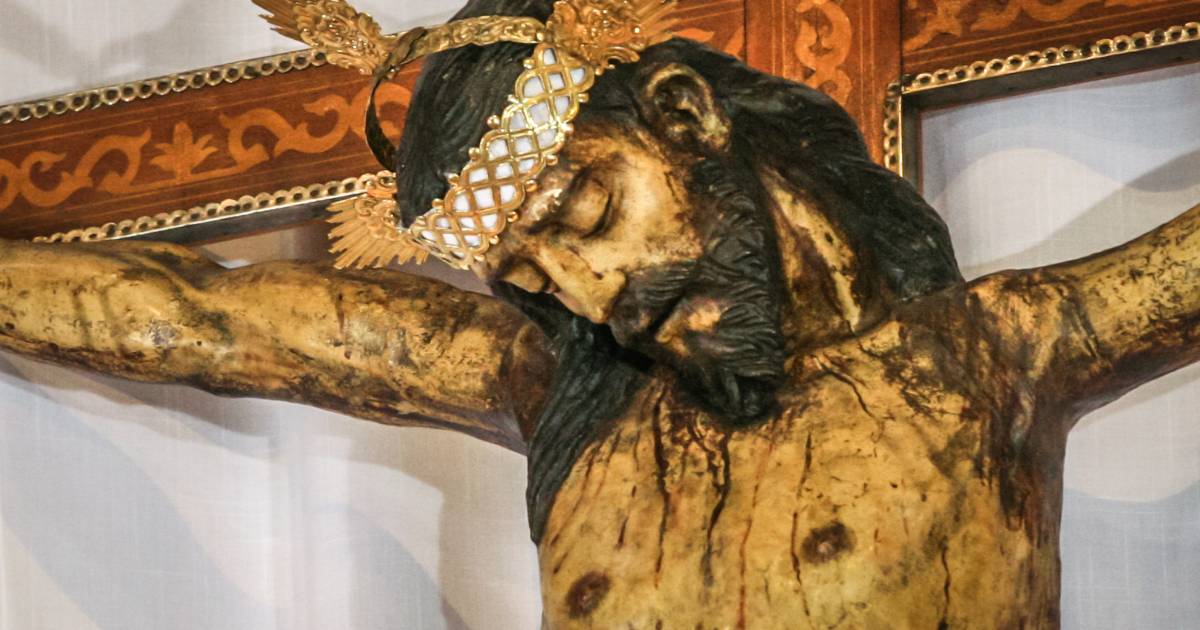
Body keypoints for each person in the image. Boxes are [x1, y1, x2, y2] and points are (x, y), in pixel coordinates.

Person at [1, 0, 1197, 626]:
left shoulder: (993, 357)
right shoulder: (559, 404)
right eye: (530, 278)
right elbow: (206, 319)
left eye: (582, 209)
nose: (592, 296)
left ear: (683, 114)